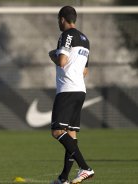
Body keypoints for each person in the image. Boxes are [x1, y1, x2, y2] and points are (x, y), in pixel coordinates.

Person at [48, 6, 94, 184]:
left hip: (67, 90)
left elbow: (62, 61)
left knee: (57, 131)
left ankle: (85, 168)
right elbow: (85, 71)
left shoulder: (66, 36)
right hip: (80, 90)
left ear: (62, 19)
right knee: (71, 135)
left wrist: (53, 55)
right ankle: (63, 178)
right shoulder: (85, 39)